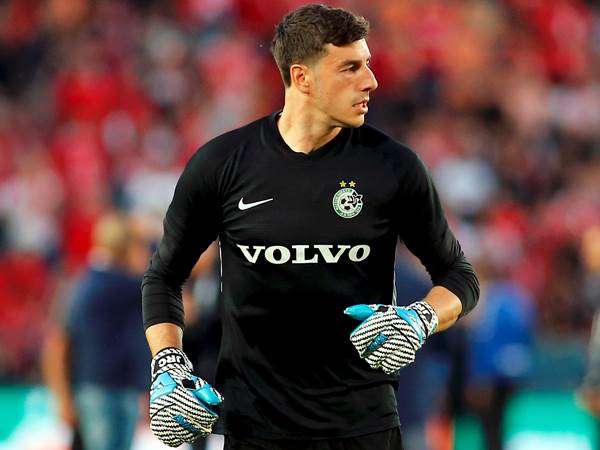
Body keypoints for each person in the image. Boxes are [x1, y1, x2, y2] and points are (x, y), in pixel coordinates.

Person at [142, 4, 479, 450]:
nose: (371, 81)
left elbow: (459, 276)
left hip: (364, 428)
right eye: (350, 68)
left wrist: (420, 319)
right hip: (254, 430)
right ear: (302, 78)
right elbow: (164, 277)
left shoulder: (393, 167)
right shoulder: (222, 164)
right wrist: (168, 363)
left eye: (367, 64)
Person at [43, 211, 152, 450]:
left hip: (93, 388)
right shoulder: (130, 288)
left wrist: (62, 398)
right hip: (110, 391)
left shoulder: (79, 285)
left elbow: (57, 345)